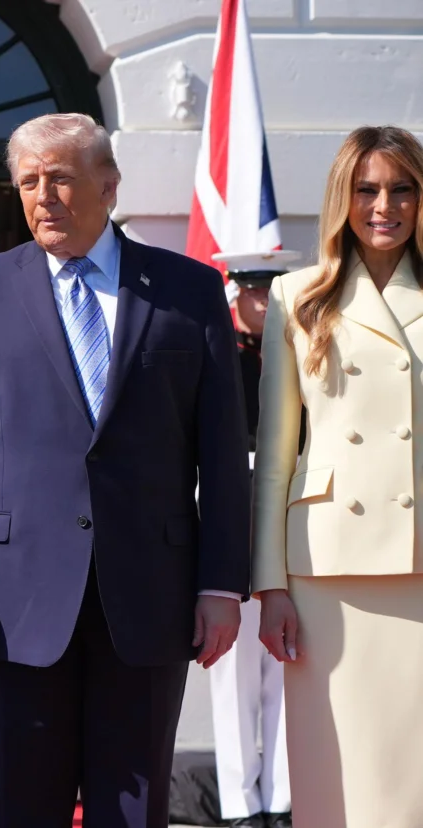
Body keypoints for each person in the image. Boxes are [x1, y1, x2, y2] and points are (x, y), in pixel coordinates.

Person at [0, 113, 251, 828]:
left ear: (109, 185)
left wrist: (222, 584)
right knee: (20, 805)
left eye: (61, 178)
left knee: (133, 810)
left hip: (150, 592)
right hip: (13, 598)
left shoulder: (188, 289)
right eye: (28, 182)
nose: (43, 196)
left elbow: (223, 450)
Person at [253, 125, 423, 828]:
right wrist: (270, 585)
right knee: (337, 777)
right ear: (341, 199)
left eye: (403, 189)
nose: (385, 206)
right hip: (327, 571)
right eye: (366, 190)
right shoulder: (296, 296)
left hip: (419, 559)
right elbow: (276, 458)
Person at [208, 251, 299, 828]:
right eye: (252, 292)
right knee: (235, 667)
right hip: (231, 508)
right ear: (235, 296)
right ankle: (242, 804)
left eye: (271, 292)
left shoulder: (301, 353)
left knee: (290, 664)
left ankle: (285, 800)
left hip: (292, 511)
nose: (263, 303)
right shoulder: (218, 355)